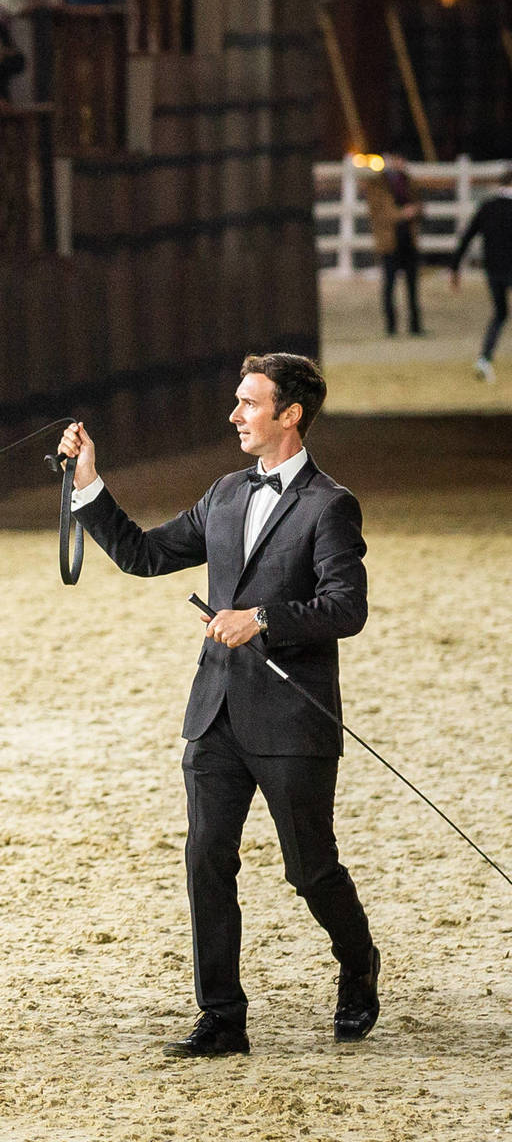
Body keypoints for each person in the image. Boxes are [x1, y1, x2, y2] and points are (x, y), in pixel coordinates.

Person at [57, 353, 380, 1058]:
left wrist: (261, 616)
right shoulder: (226, 493)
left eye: (249, 403)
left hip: (293, 719)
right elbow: (144, 555)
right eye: (237, 402)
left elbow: (346, 608)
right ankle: (222, 1018)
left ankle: (358, 965)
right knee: (207, 857)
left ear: (289, 415)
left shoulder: (330, 505)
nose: (235, 415)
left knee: (310, 868)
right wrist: (88, 484)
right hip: (216, 715)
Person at [448, 167, 512, 382]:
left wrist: (455, 268)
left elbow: (466, 237)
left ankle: (484, 359)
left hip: (493, 270)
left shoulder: (488, 207)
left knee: (500, 314)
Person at [363, 158, 423, 337]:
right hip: (389, 242)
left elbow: (419, 205)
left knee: (412, 286)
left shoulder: (409, 181)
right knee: (389, 286)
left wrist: (416, 210)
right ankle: (391, 326)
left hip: (407, 241)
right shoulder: (377, 183)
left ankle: (415, 326)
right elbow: (378, 212)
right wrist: (403, 214)